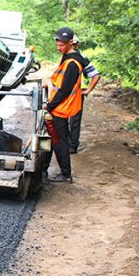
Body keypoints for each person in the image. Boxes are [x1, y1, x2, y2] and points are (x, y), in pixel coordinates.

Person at [42, 27, 84, 183]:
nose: (59, 48)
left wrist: (50, 106)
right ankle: (43, 169)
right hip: (59, 106)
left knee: (59, 141)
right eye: (58, 44)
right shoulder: (68, 58)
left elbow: (65, 89)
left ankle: (66, 174)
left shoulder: (72, 62)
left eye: (62, 45)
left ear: (71, 43)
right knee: (52, 139)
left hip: (61, 108)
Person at [68, 35, 101, 154]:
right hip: (66, 94)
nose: (73, 46)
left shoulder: (82, 58)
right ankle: (67, 143)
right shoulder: (66, 57)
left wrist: (87, 90)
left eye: (74, 44)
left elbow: (95, 76)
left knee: (74, 121)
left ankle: (72, 145)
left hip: (76, 94)